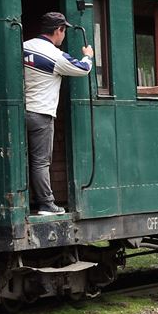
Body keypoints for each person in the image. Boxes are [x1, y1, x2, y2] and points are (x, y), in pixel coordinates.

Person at [22, 11, 92, 215]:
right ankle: (46, 203)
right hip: (41, 114)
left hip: (21, 112)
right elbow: (83, 69)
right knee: (41, 161)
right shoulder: (55, 55)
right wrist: (88, 55)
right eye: (64, 31)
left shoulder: (23, 47)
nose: (64, 35)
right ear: (58, 30)